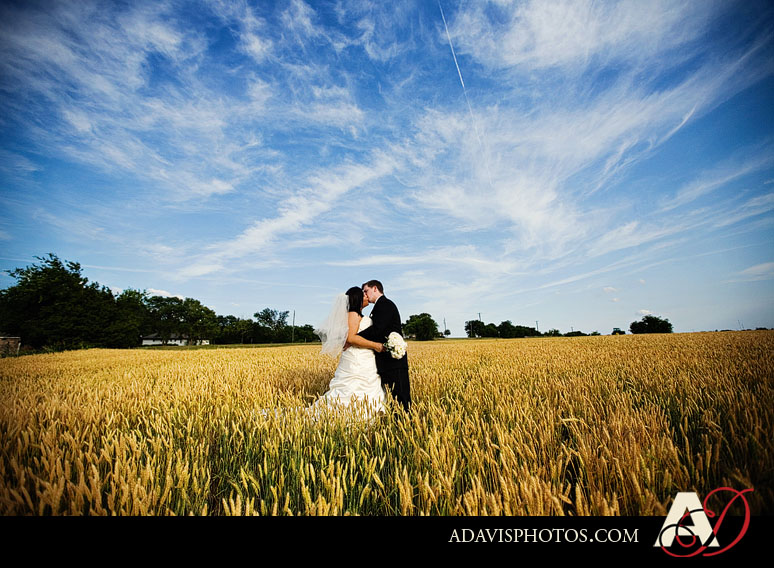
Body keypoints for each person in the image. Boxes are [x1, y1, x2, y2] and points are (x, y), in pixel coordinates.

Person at [311, 287, 386, 417]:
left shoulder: (356, 315)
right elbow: (351, 338)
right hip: (357, 359)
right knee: (353, 389)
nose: (366, 296)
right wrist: (377, 346)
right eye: (363, 294)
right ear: (357, 299)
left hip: (363, 358)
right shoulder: (353, 314)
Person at [357, 280, 411, 411]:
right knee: (393, 398)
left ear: (375, 288)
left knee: (401, 397)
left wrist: (355, 337)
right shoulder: (379, 306)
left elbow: (377, 330)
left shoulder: (385, 304)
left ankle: (406, 425)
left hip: (394, 362)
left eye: (366, 291)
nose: (364, 295)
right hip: (387, 361)